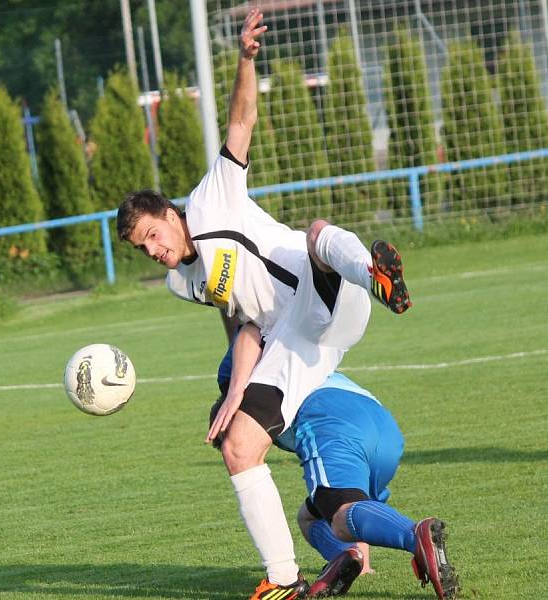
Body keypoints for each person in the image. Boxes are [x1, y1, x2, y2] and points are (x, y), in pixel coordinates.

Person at [117, 8, 410, 599]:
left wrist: (247, 60)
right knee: (238, 444)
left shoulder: (212, 198)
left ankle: (375, 271)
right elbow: (244, 322)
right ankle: (284, 581)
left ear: (172, 215)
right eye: (140, 247)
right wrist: (235, 392)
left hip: (330, 295)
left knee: (317, 232)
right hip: (298, 340)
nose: (153, 249)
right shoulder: (184, 282)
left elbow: (241, 119)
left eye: (154, 234)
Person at [212, 327, 459, 599]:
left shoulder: (253, 403)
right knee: (313, 515)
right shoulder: (285, 360)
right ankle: (351, 560)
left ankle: (415, 535)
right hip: (380, 421)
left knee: (342, 516)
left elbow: (250, 329)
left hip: (327, 417)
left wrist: (235, 392)